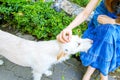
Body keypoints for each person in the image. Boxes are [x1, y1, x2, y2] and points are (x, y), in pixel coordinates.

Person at [57, 0, 120, 80]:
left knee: (109, 33)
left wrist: (113, 21)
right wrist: (69, 28)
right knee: (107, 33)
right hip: (101, 18)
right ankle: (104, 74)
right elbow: (85, 13)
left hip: (117, 24)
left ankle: (94, 74)